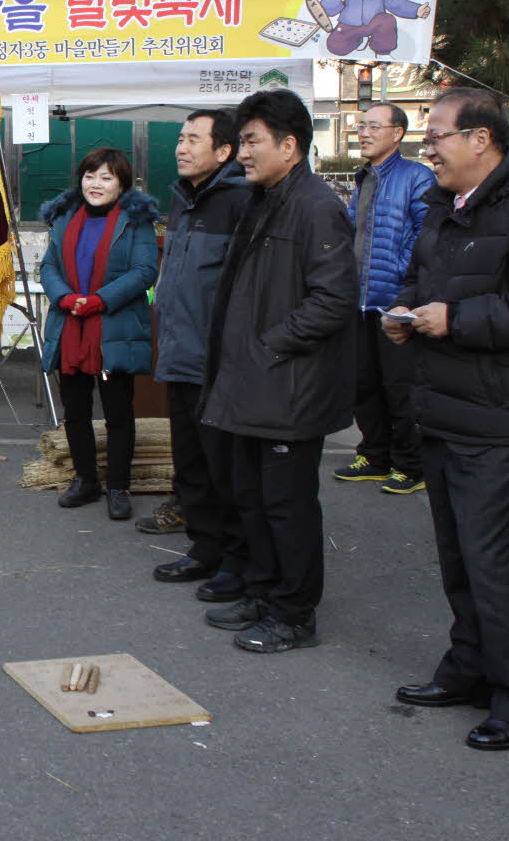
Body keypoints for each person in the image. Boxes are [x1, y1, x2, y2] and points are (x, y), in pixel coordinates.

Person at [199, 89, 356, 653]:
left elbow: (334, 300)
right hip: (251, 382)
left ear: (290, 146)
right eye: (242, 141)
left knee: (287, 507)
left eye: (251, 141)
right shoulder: (265, 198)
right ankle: (264, 594)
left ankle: (294, 613)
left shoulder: (316, 206)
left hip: (287, 387)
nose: (242, 153)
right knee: (254, 499)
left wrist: (269, 345)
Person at [383, 88, 509, 751]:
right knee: (458, 558)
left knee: (494, 563)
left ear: (481, 140)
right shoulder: (441, 205)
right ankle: (467, 669)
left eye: (436, 135)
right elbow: (417, 277)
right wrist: (407, 312)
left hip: (493, 420)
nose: (426, 148)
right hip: (439, 406)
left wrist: (456, 320)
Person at [142, 111, 251, 602]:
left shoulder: (242, 201)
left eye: (192, 140)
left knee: (224, 469)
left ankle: (236, 560)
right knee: (190, 464)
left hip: (219, 362)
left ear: (224, 151)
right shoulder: (184, 198)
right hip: (180, 355)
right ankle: (204, 548)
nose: (181, 148)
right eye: (180, 139)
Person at [38, 149, 159, 523]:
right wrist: (66, 298)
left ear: (122, 183)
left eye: (106, 177)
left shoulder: (134, 221)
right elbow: (49, 266)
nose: (96, 184)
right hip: (70, 324)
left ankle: (118, 486)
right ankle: (85, 479)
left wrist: (99, 301)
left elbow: (144, 272)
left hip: (112, 329)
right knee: (75, 412)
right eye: (90, 175)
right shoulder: (65, 218)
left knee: (118, 412)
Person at [332, 103, 434, 494]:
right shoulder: (365, 178)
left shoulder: (416, 177)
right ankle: (375, 455)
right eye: (362, 126)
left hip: (395, 302)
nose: (364, 132)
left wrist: (401, 283)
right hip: (360, 301)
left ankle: (411, 465)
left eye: (374, 126)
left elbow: (424, 238)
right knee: (364, 383)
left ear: (398, 133)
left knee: (399, 386)